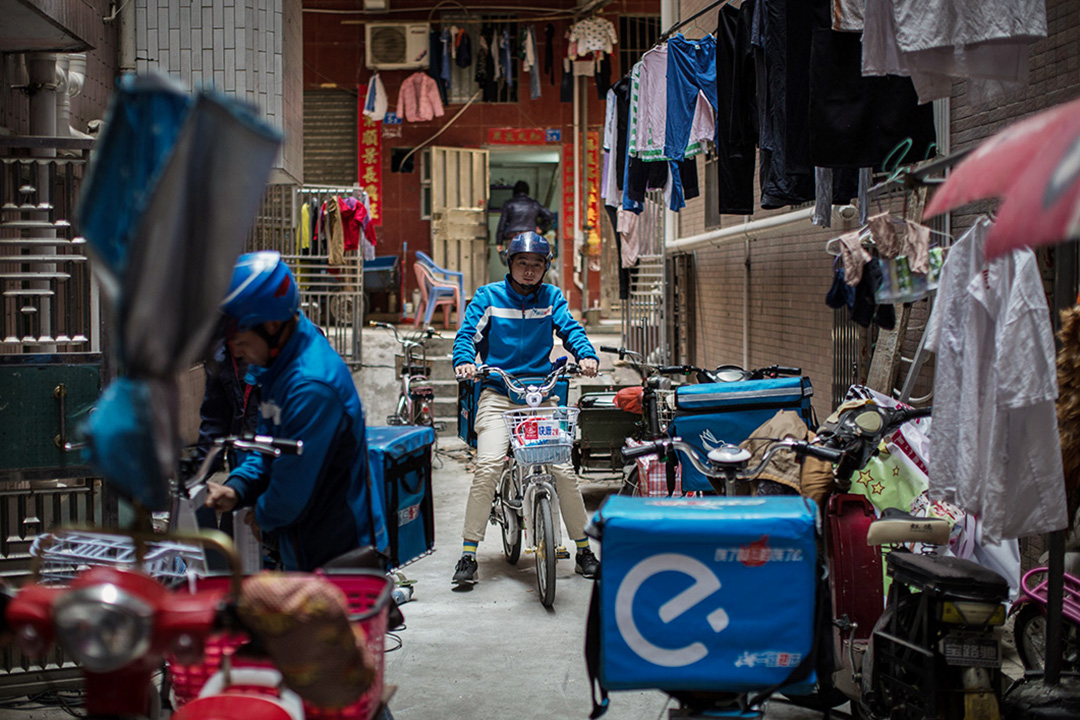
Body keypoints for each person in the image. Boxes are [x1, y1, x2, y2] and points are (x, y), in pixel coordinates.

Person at [205, 251, 389, 572]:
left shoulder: (311, 385)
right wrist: (237, 487)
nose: (235, 348)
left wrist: (261, 514)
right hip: (306, 544)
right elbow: (266, 445)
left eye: (240, 338)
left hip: (340, 553)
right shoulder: (275, 368)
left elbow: (290, 490)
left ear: (272, 325)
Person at [451, 231, 601, 586]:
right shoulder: (488, 297)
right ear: (510, 263)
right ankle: (468, 554)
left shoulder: (551, 297)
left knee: (563, 469)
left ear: (546, 267)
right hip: (498, 394)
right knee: (488, 466)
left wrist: (587, 354)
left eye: (537, 264)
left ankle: (582, 550)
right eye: (523, 263)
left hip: (541, 394)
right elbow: (466, 335)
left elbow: (570, 329)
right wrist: (464, 361)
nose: (529, 271)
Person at [495, 181, 555, 261]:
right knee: (529, 261)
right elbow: (549, 215)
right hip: (529, 237)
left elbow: (501, 225)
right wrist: (541, 227)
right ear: (527, 191)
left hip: (512, 238)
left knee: (514, 262)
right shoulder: (534, 204)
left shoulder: (509, 204)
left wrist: (499, 242)